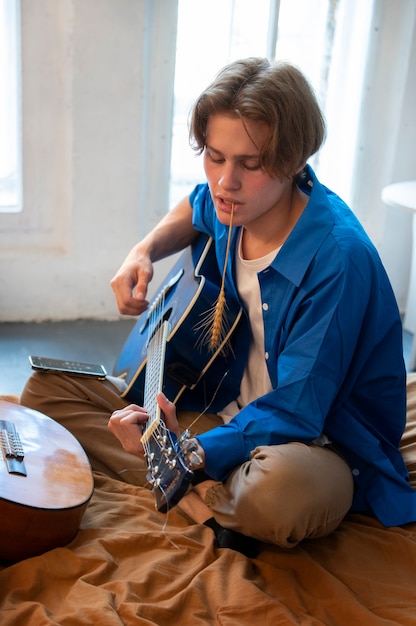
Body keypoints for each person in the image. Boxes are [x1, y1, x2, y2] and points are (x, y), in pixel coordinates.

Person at [21, 58, 416, 557]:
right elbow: (193, 205)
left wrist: (189, 452)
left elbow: (298, 408)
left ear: (295, 160)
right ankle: (196, 493)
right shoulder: (234, 203)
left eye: (249, 164)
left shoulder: (338, 260)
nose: (225, 181)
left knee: (274, 497)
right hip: (220, 407)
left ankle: (183, 481)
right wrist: (142, 251)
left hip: (316, 445)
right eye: (214, 156)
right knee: (47, 391)